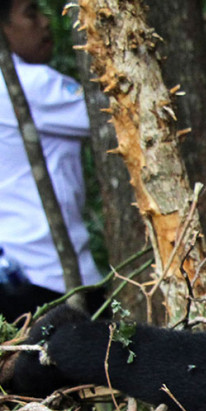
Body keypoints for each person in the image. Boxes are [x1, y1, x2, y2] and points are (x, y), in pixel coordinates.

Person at [0, 0, 102, 322]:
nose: (45, 22)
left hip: (14, 266)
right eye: (31, 14)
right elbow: (114, 116)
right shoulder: (30, 83)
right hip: (49, 273)